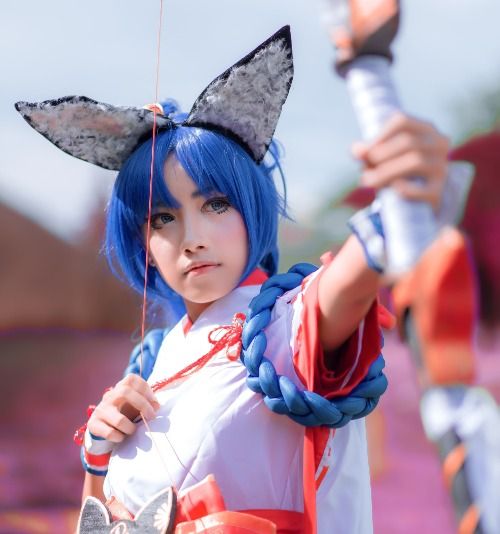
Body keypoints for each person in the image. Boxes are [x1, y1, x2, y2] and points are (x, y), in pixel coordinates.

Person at [16, 22, 449, 534]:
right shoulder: (152, 362)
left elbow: (349, 281)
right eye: (162, 217)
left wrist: (399, 197)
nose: (191, 238)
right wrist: (98, 458)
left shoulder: (288, 323)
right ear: (145, 245)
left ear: (250, 210)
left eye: (215, 204)